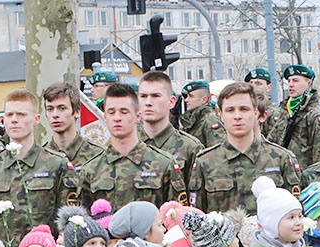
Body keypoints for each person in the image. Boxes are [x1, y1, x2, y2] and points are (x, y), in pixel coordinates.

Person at [0, 87, 75, 246]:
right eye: (9, 115)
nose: (14, 120)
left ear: (36, 119)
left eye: (21, 114)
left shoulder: (56, 164)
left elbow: (65, 224)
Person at [188, 82, 305, 213]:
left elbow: (295, 214)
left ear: (256, 113)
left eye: (244, 109)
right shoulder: (205, 162)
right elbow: (198, 218)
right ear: (221, 115)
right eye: (230, 110)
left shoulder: (281, 158)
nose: (237, 116)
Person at [79, 83, 186, 211]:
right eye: (111, 112)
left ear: (137, 116)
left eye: (124, 112)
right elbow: (82, 223)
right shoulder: (91, 170)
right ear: (105, 117)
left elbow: (176, 219)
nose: (117, 118)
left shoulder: (164, 164)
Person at [138, 71, 203, 187]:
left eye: (155, 96)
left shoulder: (190, 148)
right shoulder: (128, 145)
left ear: (171, 102)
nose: (148, 102)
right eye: (143, 96)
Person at [265, 64, 320, 170]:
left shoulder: (316, 114)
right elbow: (271, 144)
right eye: (289, 81)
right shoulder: (284, 111)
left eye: (295, 80)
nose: (290, 85)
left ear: (308, 83)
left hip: (304, 175)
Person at [42, 82, 105, 175]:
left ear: (77, 112)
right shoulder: (40, 157)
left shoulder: (98, 156)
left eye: (62, 108)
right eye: (50, 109)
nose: (55, 115)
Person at [178, 80, 225, 148]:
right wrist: (174, 116)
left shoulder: (210, 121)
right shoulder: (191, 120)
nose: (186, 100)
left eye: (191, 96)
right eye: (186, 96)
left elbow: (219, 152)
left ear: (204, 100)